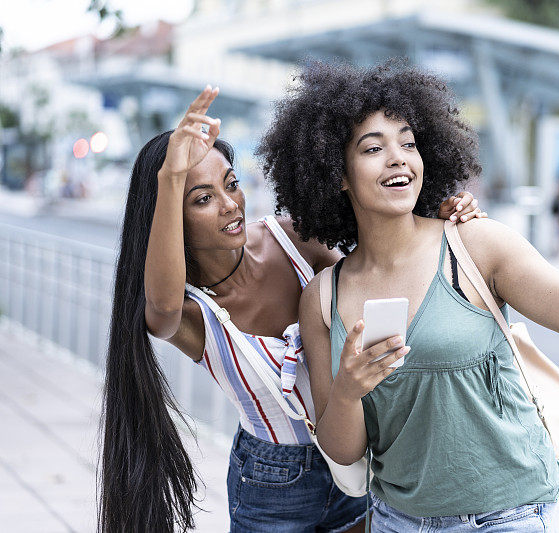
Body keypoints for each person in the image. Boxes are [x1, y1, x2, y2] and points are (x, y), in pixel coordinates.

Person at [264, 60, 559, 531]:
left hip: (511, 517)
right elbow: (343, 452)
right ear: (336, 174)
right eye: (373, 148)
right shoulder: (324, 296)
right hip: (396, 521)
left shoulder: (476, 245)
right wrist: (348, 389)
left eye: (408, 142)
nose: (398, 157)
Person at [98, 86, 485, 533]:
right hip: (270, 484)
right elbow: (159, 306)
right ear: (169, 216)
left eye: (231, 184)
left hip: (358, 461)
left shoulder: (292, 240)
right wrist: (170, 176)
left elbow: (380, 268)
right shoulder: (188, 311)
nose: (230, 205)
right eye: (202, 199)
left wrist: (439, 217)